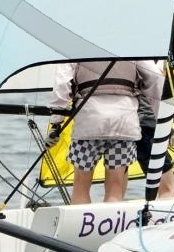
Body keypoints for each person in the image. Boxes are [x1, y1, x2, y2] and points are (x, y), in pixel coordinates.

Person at [47, 59, 164, 207]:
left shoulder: (74, 50)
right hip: (123, 123)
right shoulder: (134, 49)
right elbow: (156, 79)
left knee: (80, 187)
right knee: (115, 187)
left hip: (88, 124)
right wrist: (161, 119)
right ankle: (111, 220)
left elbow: (62, 85)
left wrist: (56, 123)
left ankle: (81, 220)